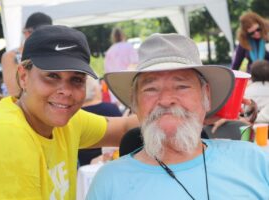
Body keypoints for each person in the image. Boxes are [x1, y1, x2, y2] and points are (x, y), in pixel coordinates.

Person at [86, 33, 269, 199]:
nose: (165, 100)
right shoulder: (109, 183)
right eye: (151, 89)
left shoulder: (254, 159)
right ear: (135, 103)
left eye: (181, 86)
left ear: (206, 95)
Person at [0, 25, 138, 200]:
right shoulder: (4, 135)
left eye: (76, 79)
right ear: (23, 77)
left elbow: (126, 128)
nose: (65, 91)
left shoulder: (64, 122)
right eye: (52, 76)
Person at [1, 12, 52, 97]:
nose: (45, 36)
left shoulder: (51, 55)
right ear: (26, 32)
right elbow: (15, 91)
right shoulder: (11, 56)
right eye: (39, 33)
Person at [79, 77, 122, 166]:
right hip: (110, 162)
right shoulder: (111, 108)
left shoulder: (76, 113)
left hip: (83, 164)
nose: (102, 88)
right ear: (95, 89)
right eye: (99, 86)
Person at [104, 27, 139, 108]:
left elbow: (106, 71)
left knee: (119, 107)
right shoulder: (129, 46)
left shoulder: (110, 50)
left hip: (114, 82)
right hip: (128, 80)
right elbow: (136, 63)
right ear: (123, 35)